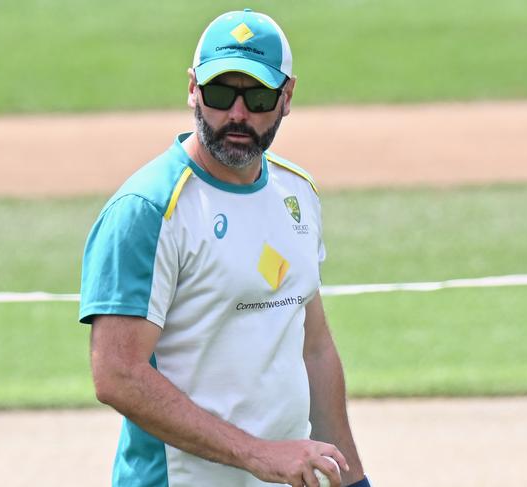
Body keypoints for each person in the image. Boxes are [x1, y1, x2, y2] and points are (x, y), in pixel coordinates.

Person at [79, 8, 371, 487]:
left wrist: (353, 479)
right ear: (192, 89)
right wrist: (258, 455)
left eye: (257, 96)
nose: (237, 114)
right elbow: (117, 374)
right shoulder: (148, 210)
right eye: (219, 93)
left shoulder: (297, 193)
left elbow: (313, 348)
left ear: (287, 97)